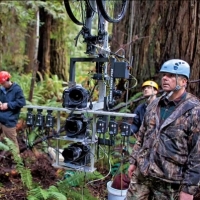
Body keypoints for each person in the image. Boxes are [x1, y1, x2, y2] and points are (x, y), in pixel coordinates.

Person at [126, 59, 200, 200]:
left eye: (172, 75)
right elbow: (142, 135)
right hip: (143, 175)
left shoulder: (194, 110)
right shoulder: (154, 105)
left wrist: (189, 189)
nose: (165, 78)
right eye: (164, 75)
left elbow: (197, 154)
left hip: (170, 182)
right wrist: (133, 161)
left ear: (183, 82)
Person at [0, 71, 26, 154]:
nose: (2, 85)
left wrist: (8, 105)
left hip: (9, 120)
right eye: (1, 83)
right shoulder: (2, 89)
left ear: (8, 80)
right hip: (0, 118)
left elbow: (21, 102)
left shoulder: (16, 89)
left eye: (3, 83)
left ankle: (17, 163)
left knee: (13, 143)